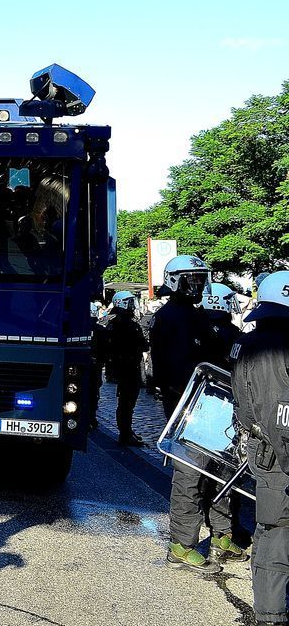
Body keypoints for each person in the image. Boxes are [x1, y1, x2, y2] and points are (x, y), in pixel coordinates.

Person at [150, 254, 246, 572]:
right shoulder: (170, 316)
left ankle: (222, 535)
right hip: (188, 408)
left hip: (210, 405)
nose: (199, 284)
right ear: (175, 279)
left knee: (219, 472)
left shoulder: (194, 314)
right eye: (193, 279)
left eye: (201, 279)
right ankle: (181, 544)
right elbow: (175, 370)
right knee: (190, 476)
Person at [232, 271, 289, 625]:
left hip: (267, 448)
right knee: (277, 532)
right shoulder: (275, 348)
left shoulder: (251, 341)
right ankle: (271, 613)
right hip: (279, 454)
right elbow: (279, 412)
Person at [105, 291, 149, 446]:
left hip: (126, 366)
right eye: (129, 303)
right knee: (126, 403)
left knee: (127, 403)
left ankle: (127, 431)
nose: (132, 306)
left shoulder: (116, 323)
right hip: (127, 367)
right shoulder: (124, 324)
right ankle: (125, 433)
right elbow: (140, 344)